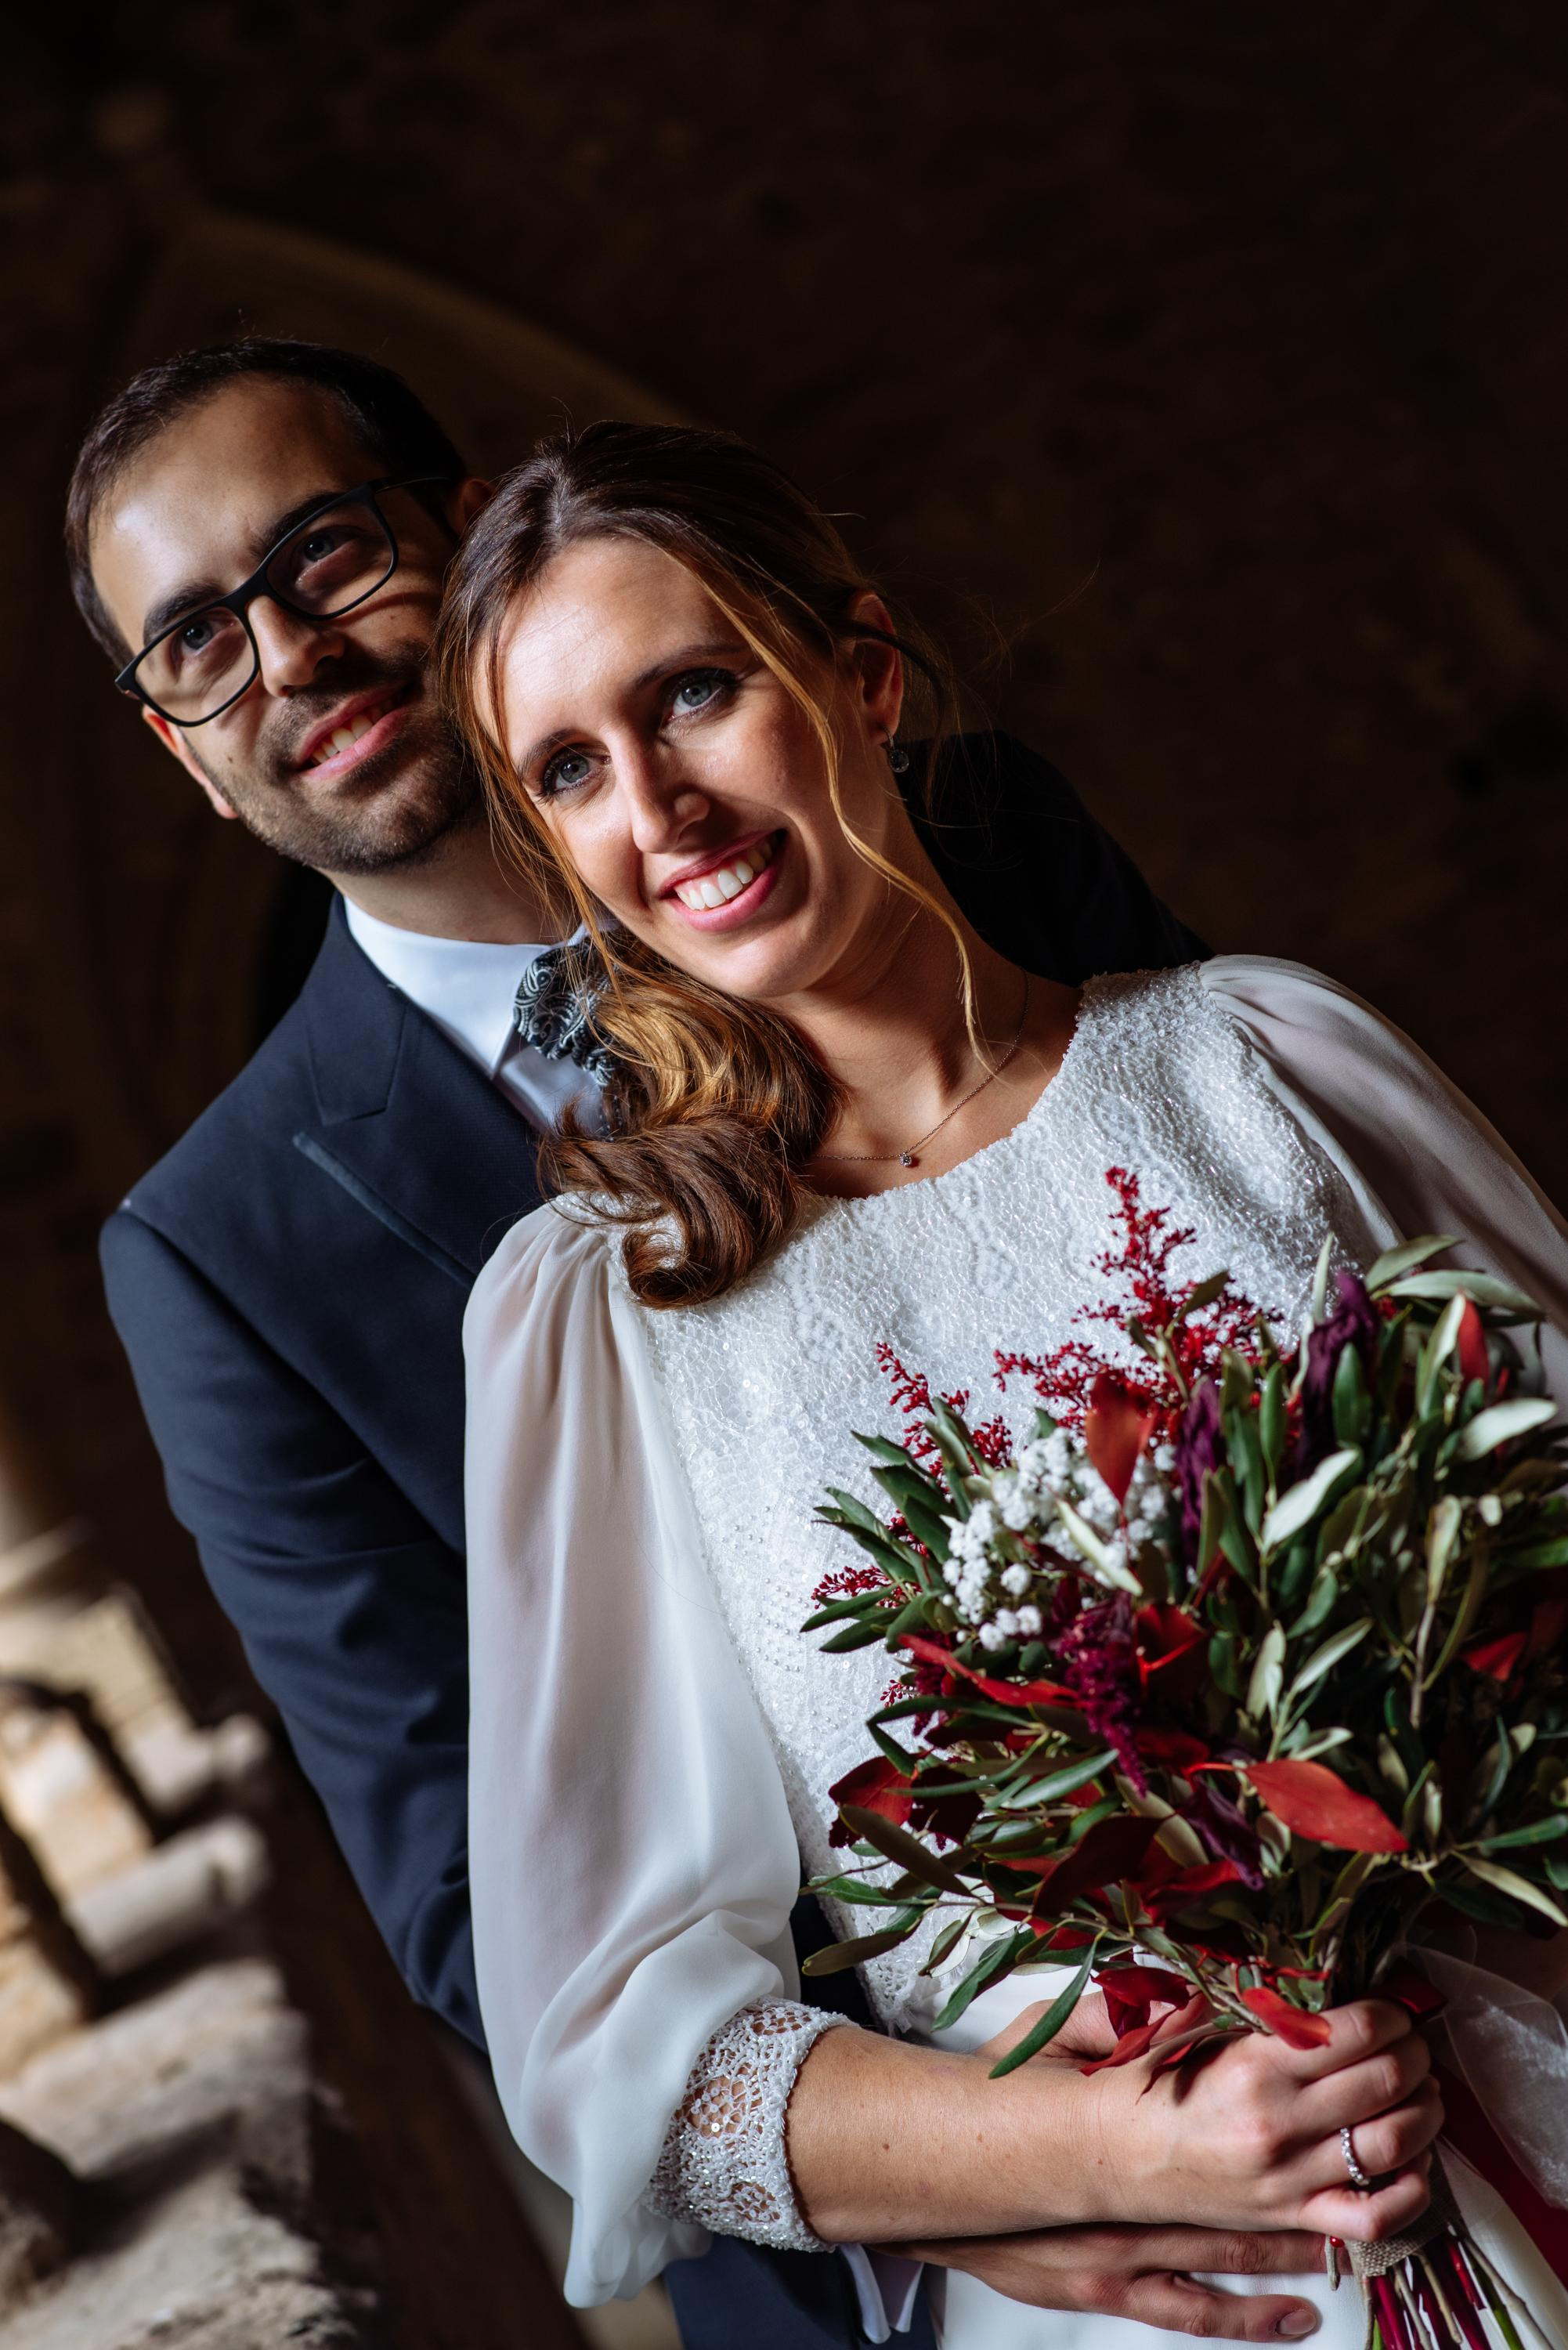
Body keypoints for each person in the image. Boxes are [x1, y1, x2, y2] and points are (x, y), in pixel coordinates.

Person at [67, 340, 1303, 2348]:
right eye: (202, 638)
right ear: (182, 749)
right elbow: (482, 1903)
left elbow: (1282, 1325)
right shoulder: (219, 1256)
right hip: (922, 2246)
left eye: (322, 556)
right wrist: (985, 2169)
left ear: (466, 539)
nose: (287, 654)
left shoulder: (949, 827)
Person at [437, 421, 1568, 2348]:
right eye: (568, 770)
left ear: (861, 673)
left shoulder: (1262, 1066)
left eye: (692, 692)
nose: (658, 807)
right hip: (1186, 2295)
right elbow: (639, 2052)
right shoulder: (606, 1323)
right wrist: (1105, 2150)